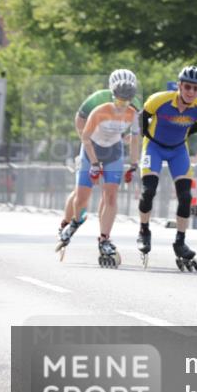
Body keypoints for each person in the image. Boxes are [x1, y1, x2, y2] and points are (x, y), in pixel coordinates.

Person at [56, 70, 142, 256]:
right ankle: (68, 223)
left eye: (127, 101)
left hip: (114, 150)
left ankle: (104, 238)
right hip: (91, 146)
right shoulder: (97, 103)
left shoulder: (134, 109)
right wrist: (92, 160)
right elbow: (81, 127)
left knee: (110, 195)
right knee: (82, 197)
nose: (122, 105)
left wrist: (134, 163)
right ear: (112, 94)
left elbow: (136, 137)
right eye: (119, 100)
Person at [135, 65, 197, 271]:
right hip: (153, 147)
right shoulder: (159, 100)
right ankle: (144, 231)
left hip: (178, 150)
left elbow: (196, 127)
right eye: (187, 87)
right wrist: (148, 140)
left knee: (185, 196)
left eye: (196, 89)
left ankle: (180, 241)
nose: (191, 93)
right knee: (148, 191)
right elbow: (141, 119)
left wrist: (178, 136)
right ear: (179, 85)